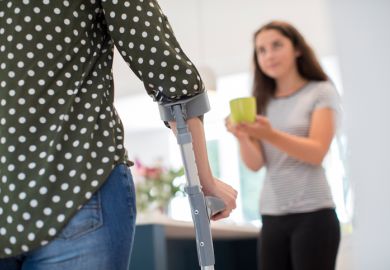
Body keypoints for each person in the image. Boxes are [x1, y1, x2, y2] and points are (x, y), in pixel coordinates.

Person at [0, 0, 237, 269]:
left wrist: (202, 180)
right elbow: (167, 71)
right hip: (75, 186)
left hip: (73, 192)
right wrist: (206, 182)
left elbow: (169, 78)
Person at [226, 21, 340, 270]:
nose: (269, 55)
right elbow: (255, 164)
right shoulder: (260, 101)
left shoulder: (320, 91)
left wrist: (269, 133)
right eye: (261, 50)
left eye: (276, 45)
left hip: (314, 213)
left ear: (297, 49)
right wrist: (243, 136)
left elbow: (317, 152)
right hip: (271, 214)